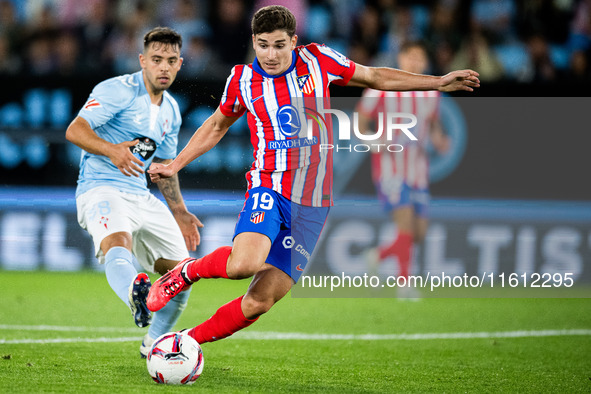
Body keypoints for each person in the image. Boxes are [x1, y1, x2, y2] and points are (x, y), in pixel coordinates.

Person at [146, 6, 479, 345]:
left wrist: (437, 82)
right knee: (243, 264)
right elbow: (217, 125)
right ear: (253, 42)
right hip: (270, 186)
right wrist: (175, 164)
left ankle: (184, 342)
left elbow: (374, 76)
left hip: (313, 204)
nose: (270, 54)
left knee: (259, 301)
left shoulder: (318, 60)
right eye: (263, 45)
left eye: (279, 45)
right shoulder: (242, 79)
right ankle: (185, 272)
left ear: (294, 41)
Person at [65, 27, 203, 357]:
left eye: (171, 61)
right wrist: (112, 150)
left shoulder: (171, 110)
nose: (164, 68)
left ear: (180, 64)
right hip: (100, 188)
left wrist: (180, 211)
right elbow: (75, 130)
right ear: (142, 61)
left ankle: (152, 342)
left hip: (140, 195)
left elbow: (165, 167)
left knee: (182, 276)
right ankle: (133, 290)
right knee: (118, 242)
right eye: (156, 60)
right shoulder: (117, 90)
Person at [357, 41, 450, 298]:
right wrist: (374, 142)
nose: (415, 62)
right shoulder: (380, 89)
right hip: (390, 169)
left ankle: (379, 255)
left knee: (419, 232)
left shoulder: (431, 93)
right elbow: (360, 122)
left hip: (418, 170)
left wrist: (440, 139)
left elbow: (434, 125)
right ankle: (404, 284)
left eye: (420, 58)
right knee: (406, 225)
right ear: (401, 58)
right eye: (410, 57)